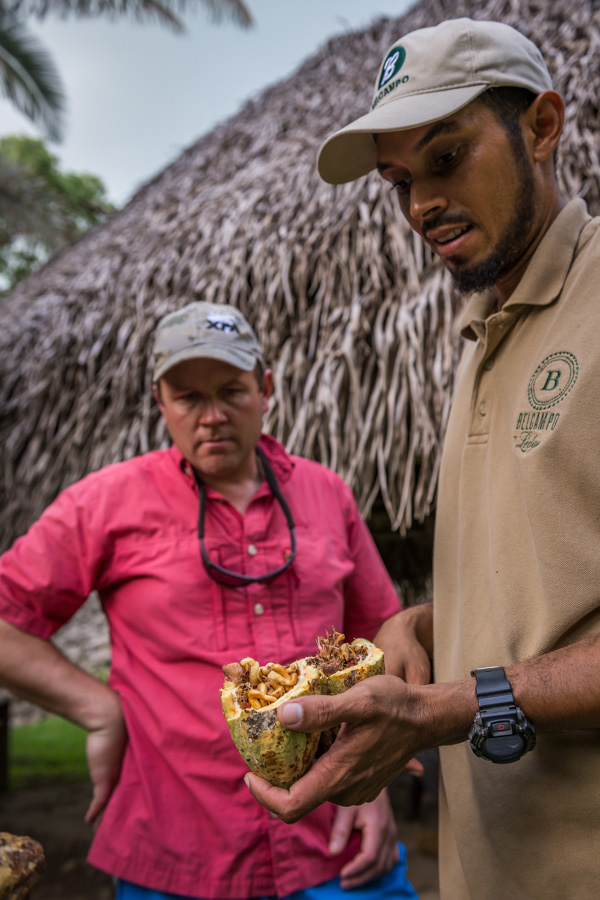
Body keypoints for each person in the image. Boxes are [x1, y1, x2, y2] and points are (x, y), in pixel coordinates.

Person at [244, 16, 600, 899]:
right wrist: (423, 626)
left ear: (542, 126)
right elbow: (553, 575)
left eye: (446, 158)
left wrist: (448, 705)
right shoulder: (480, 339)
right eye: (400, 181)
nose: (418, 206)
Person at [0, 301, 419, 899]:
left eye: (231, 391)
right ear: (160, 402)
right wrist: (99, 709)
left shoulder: (327, 493)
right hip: (177, 850)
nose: (213, 416)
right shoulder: (105, 503)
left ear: (266, 387)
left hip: (332, 842)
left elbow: (381, 642)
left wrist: (371, 783)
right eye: (188, 398)